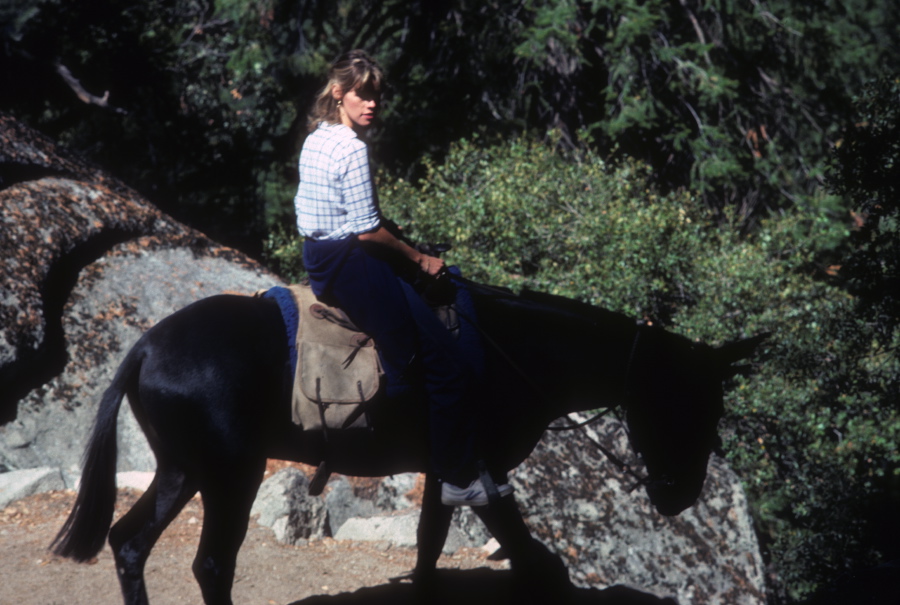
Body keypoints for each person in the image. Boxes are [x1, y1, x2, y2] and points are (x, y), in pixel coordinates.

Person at [293, 50, 512, 506]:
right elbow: (368, 230)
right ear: (338, 93)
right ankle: (454, 477)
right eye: (362, 94)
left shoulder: (317, 137)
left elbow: (359, 216)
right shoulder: (352, 149)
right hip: (349, 261)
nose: (371, 104)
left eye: (376, 95)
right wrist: (418, 258)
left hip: (318, 254)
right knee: (443, 366)